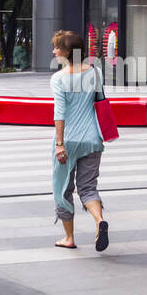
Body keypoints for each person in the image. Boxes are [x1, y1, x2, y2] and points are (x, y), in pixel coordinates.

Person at [50, 30, 109, 252]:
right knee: (88, 188)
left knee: (63, 189)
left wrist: (59, 144)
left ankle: (69, 237)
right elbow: (100, 101)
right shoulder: (95, 73)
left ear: (67, 52)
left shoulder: (58, 78)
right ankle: (99, 220)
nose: (54, 51)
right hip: (93, 139)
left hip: (69, 140)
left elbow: (60, 112)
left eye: (57, 47)